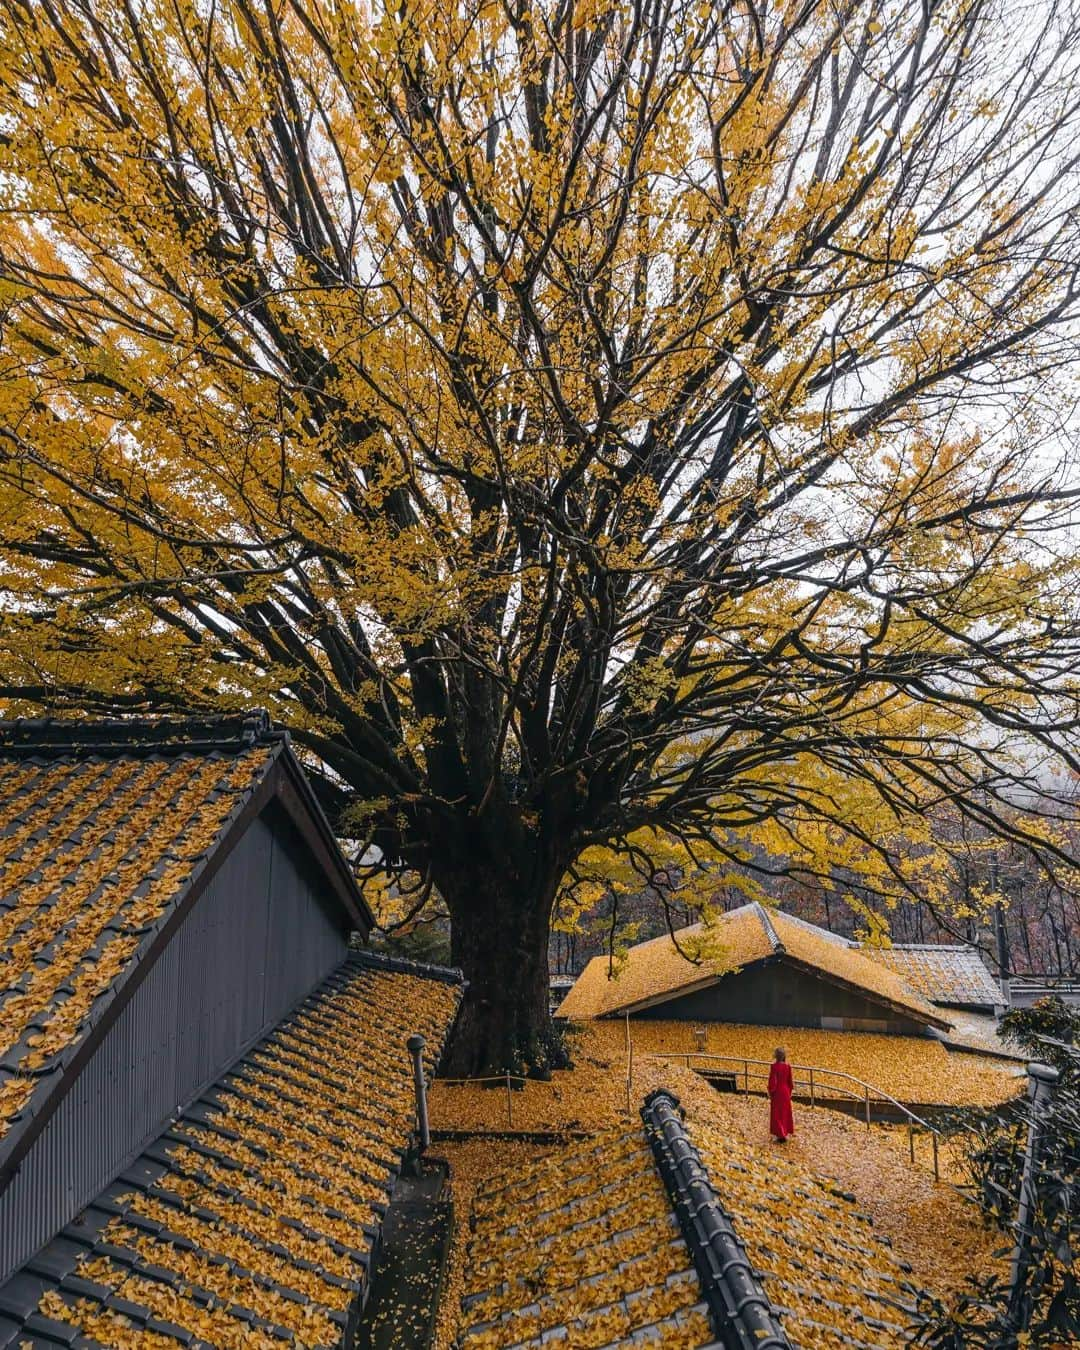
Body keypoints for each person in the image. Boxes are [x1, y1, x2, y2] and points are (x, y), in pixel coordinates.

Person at [768, 1046, 794, 1143]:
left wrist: (771, 1091)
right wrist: (789, 1092)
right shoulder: (788, 1067)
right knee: (785, 1113)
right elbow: (790, 1082)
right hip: (786, 1092)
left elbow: (773, 1082)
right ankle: (785, 1132)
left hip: (778, 1092)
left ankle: (780, 1133)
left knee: (777, 1114)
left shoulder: (774, 1067)